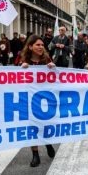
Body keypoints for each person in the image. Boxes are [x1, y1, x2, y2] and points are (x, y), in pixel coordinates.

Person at [16, 35, 57, 167]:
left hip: (43, 98)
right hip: (27, 98)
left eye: (42, 45)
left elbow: (56, 77)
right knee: (32, 126)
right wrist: (20, 68)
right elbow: (11, 76)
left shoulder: (46, 59)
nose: (41, 47)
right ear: (30, 46)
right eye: (38, 45)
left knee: (43, 123)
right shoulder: (22, 59)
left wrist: (53, 67)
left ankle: (47, 143)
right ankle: (35, 154)